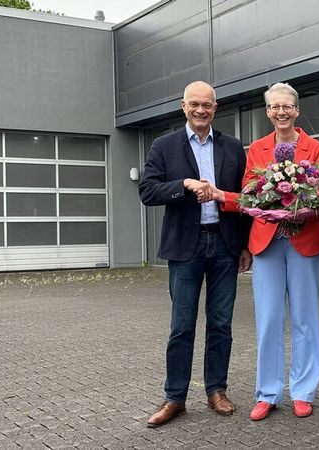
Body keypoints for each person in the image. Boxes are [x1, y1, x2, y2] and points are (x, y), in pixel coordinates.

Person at [207, 82, 319, 421]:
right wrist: (223, 196)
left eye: (287, 106)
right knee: (269, 318)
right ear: (268, 112)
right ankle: (268, 393)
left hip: (304, 240)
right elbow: (249, 195)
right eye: (275, 106)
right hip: (266, 243)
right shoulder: (257, 149)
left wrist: (302, 206)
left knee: (305, 318)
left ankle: (303, 391)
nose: (281, 112)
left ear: (296, 110)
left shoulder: (315, 148)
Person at [138, 81, 252, 428]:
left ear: (215, 108)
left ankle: (216, 390)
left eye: (207, 105)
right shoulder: (164, 145)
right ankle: (175, 397)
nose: (201, 110)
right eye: (194, 104)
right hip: (185, 247)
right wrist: (184, 185)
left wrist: (245, 245)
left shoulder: (233, 147)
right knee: (181, 326)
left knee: (221, 324)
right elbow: (147, 191)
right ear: (183, 106)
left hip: (225, 245)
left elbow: (245, 198)